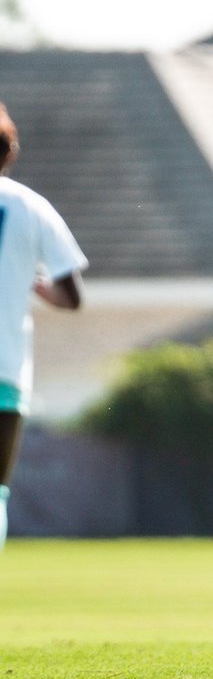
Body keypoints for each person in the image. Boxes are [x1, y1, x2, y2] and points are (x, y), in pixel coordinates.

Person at [0, 103, 88, 549]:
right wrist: (37, 287)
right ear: (10, 152)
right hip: (5, 370)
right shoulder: (30, 206)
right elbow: (71, 296)